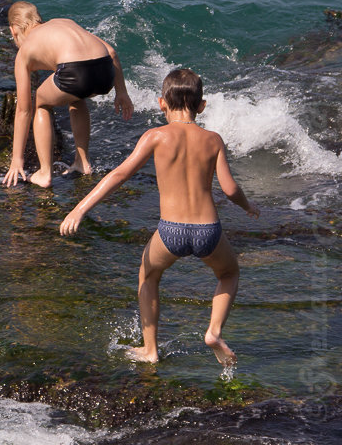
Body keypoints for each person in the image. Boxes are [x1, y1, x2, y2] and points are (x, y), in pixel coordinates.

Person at [60, 68, 260, 367]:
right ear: (202, 106)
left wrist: (79, 209)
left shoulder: (155, 136)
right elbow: (230, 188)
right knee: (228, 274)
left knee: (149, 275)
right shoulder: (213, 139)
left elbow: (120, 174)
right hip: (209, 231)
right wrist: (247, 207)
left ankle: (150, 349)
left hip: (171, 232)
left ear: (160, 103)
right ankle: (214, 332)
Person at [2, 1, 133, 187]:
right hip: (105, 71)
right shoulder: (63, 22)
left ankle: (44, 173)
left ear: (13, 30)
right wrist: (121, 92)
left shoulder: (24, 51)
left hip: (76, 72)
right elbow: (111, 51)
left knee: (40, 101)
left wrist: (17, 159)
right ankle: (82, 162)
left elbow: (23, 110)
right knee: (75, 97)